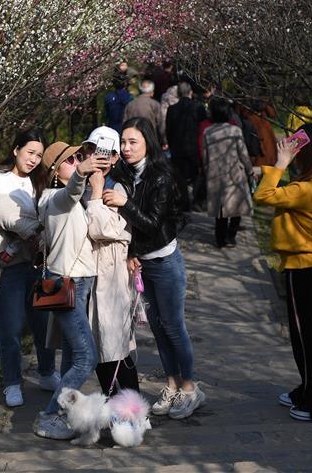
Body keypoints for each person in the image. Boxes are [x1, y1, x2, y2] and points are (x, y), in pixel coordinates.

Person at [103, 118, 205, 420]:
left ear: (147, 141)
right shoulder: (125, 173)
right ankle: (172, 385)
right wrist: (131, 252)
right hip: (143, 264)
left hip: (165, 262)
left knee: (174, 327)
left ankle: (190, 389)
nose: (126, 148)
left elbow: (150, 223)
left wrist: (124, 202)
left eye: (132, 142)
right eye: (123, 142)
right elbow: (130, 231)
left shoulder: (160, 176)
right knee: (158, 329)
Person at [253, 121, 312, 423]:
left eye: (300, 147)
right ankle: (309, 389)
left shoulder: (306, 190)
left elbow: (264, 196)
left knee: (307, 339)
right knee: (310, 335)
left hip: (303, 267)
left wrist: (280, 163)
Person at [0, 129, 58, 408]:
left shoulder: (38, 183)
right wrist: (2, 225)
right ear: (16, 149)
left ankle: (46, 372)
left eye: (39, 155)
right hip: (7, 266)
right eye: (30, 152)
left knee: (44, 323)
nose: (33, 159)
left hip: (36, 261)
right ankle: (12, 383)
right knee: (10, 327)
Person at [32, 142, 111, 440]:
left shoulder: (70, 201)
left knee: (70, 357)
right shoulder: (55, 199)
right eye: (71, 159)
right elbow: (70, 192)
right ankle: (49, 416)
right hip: (68, 284)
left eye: (80, 155)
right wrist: (81, 173)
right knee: (85, 358)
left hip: (79, 283)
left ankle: (62, 413)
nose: (79, 160)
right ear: (55, 171)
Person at [80, 127, 140, 397]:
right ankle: (115, 405)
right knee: (98, 345)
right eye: (92, 150)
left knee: (114, 345)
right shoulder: (81, 183)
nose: (98, 157)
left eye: (105, 153)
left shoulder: (118, 187)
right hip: (88, 271)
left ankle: (131, 409)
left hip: (112, 271)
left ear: (115, 158)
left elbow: (104, 229)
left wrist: (95, 195)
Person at [202, 99, 253, 248]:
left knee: (220, 210)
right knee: (237, 207)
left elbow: (205, 155)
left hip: (215, 173)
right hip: (234, 173)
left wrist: (206, 170)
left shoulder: (208, 131)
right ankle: (231, 236)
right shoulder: (235, 130)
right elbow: (243, 153)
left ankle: (220, 239)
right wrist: (249, 170)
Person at [165, 81, 206, 212]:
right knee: (195, 176)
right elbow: (203, 128)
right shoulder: (198, 108)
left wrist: (171, 145)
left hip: (177, 147)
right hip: (194, 147)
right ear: (191, 92)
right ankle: (196, 201)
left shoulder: (172, 109)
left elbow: (168, 130)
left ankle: (183, 202)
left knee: (180, 177)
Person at [241, 98, 278, 167]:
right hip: (257, 137)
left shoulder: (263, 107)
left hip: (262, 138)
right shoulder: (247, 109)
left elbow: (273, 114)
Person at [123, 80, 162, 144]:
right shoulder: (155, 104)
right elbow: (161, 125)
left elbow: (125, 123)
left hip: (134, 139)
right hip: (150, 139)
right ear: (151, 92)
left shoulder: (130, 104)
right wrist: (164, 141)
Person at [104, 66, 133, 133]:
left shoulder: (109, 97)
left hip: (112, 127)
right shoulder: (130, 97)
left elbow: (106, 114)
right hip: (127, 127)